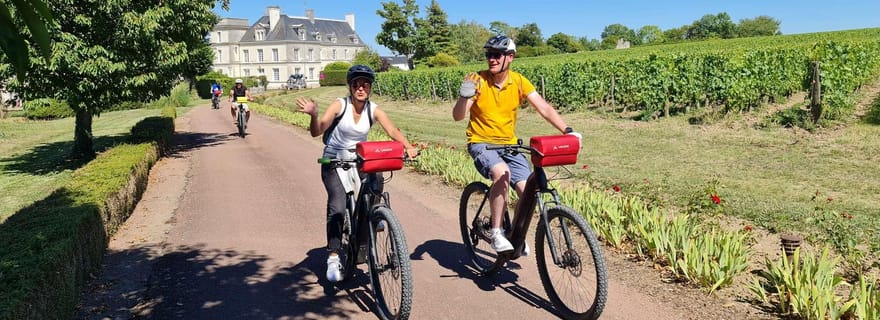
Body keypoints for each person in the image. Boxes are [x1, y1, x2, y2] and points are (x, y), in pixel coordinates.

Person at [452, 35, 582, 254]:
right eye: (488, 55)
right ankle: (496, 232)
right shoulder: (478, 80)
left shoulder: (519, 81)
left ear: (510, 58)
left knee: (528, 190)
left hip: (509, 145)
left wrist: (567, 130)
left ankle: (517, 233)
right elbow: (458, 116)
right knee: (502, 174)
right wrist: (464, 97)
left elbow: (543, 107)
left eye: (496, 55)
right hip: (482, 143)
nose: (491, 59)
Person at [295, 64, 419, 282]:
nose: (361, 88)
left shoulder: (374, 109)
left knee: (378, 176)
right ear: (350, 87)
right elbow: (317, 131)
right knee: (337, 206)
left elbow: (391, 130)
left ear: (370, 88)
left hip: (360, 159)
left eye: (365, 85)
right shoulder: (339, 105)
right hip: (334, 160)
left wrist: (408, 146)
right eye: (356, 84)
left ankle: (374, 214)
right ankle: (333, 255)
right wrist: (313, 115)